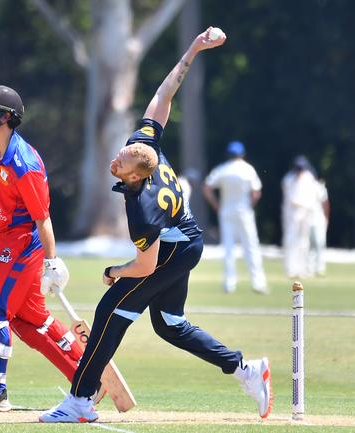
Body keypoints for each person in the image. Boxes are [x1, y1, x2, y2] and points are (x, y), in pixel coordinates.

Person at [40, 28, 272, 424]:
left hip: (175, 249)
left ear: (134, 177)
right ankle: (246, 370)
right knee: (169, 324)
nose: (119, 156)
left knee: (111, 307)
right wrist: (194, 50)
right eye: (125, 151)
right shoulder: (146, 145)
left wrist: (114, 271)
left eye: (124, 161)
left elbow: (145, 267)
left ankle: (79, 399)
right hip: (183, 239)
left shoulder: (142, 208)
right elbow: (163, 97)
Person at [0, 85, 88, 412]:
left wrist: (52, 262)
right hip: (6, 237)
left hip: (24, 241)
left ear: (5, 118)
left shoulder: (24, 164)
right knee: (31, 319)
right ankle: (86, 376)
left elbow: (42, 217)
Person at [203, 141, 269, 294]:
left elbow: (207, 187)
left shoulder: (223, 169)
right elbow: (256, 192)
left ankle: (229, 283)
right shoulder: (248, 169)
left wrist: (217, 206)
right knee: (251, 246)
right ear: (242, 154)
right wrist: (249, 205)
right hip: (244, 211)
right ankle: (258, 283)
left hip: (226, 211)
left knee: (228, 247)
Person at [281, 155, 319, 278]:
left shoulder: (309, 178)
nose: (299, 171)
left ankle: (303, 269)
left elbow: (313, 197)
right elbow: (291, 200)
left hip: (306, 213)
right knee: (291, 241)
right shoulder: (288, 179)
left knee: (304, 242)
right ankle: (291, 269)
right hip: (292, 214)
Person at [309, 177, 330, 276]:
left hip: (318, 220)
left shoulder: (320, 187)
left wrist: (326, 218)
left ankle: (319, 269)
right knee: (309, 246)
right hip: (307, 220)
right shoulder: (304, 186)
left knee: (319, 244)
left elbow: (325, 204)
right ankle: (309, 268)